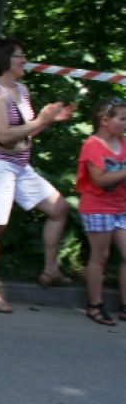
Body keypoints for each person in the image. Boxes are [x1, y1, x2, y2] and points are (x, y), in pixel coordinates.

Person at [0, 38, 75, 313]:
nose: (25, 60)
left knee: (59, 208)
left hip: (19, 167)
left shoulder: (21, 89)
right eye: (20, 55)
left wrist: (48, 121)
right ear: (5, 60)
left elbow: (26, 131)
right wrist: (40, 120)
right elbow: (5, 135)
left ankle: (50, 270)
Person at [76, 97, 126, 325]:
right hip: (97, 208)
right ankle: (95, 305)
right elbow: (100, 180)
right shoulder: (92, 145)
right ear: (105, 120)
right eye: (122, 119)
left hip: (121, 207)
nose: (125, 123)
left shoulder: (122, 142)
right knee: (100, 256)